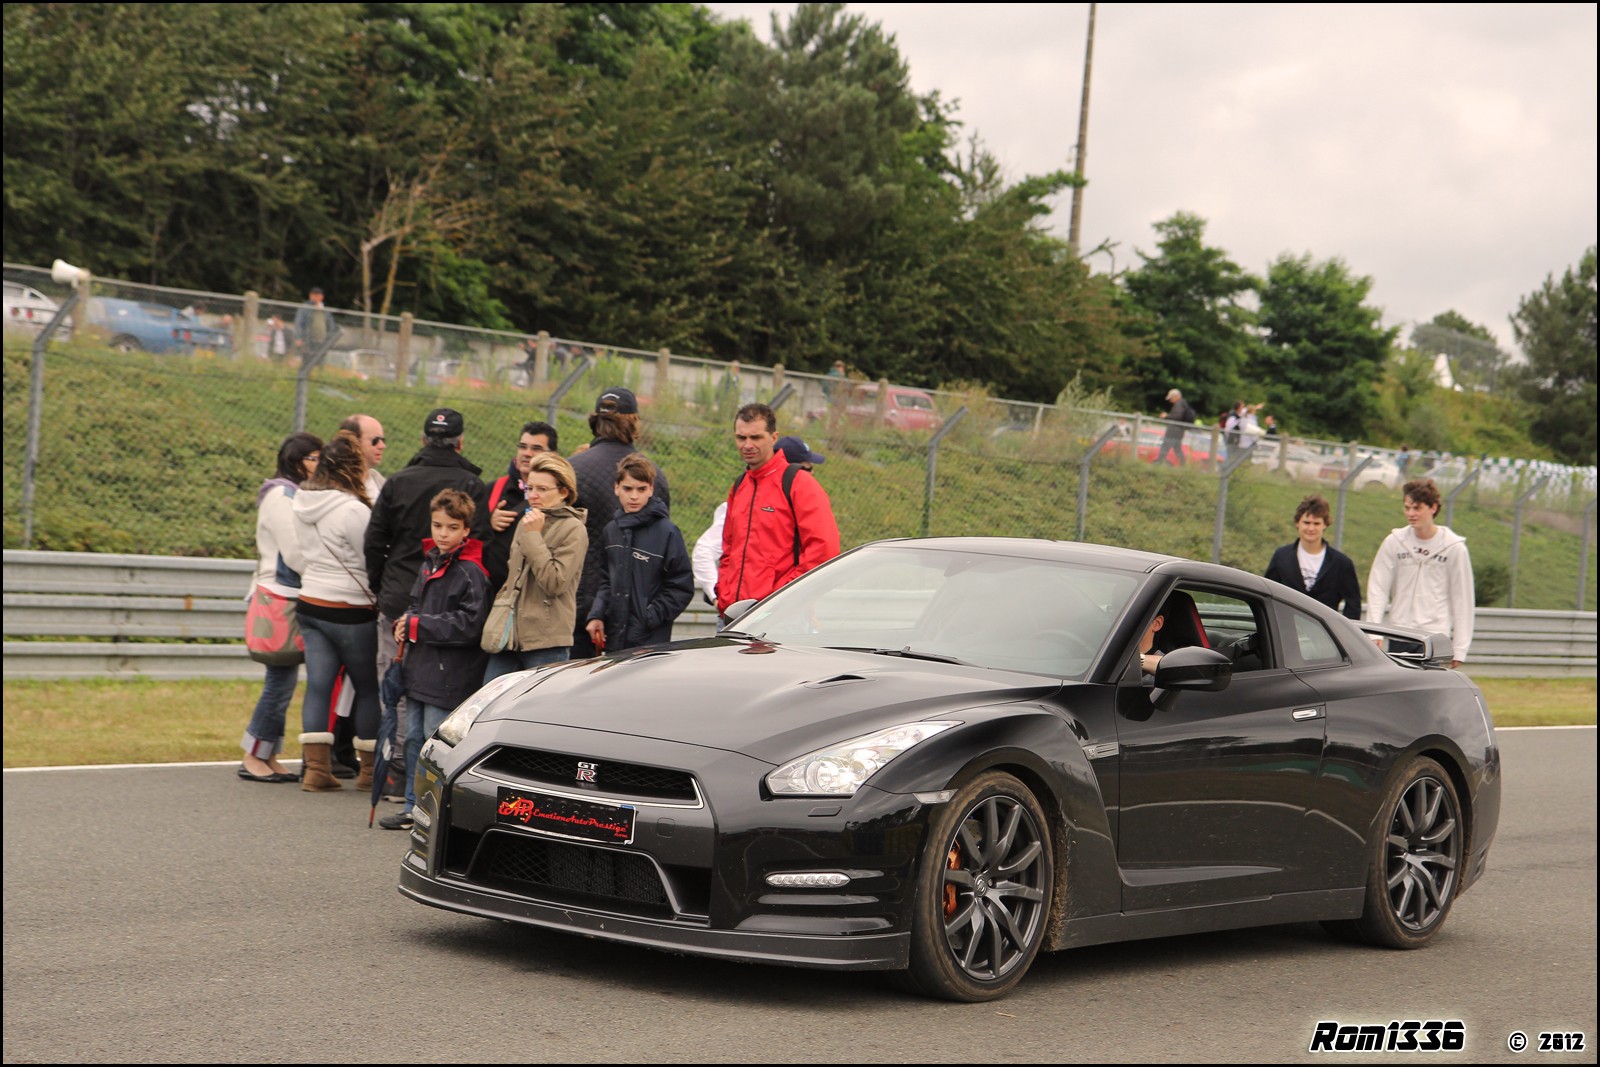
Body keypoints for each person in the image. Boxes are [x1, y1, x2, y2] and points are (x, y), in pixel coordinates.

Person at [365, 408, 489, 767]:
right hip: (440, 601)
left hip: (401, 598)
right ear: (460, 442)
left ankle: (400, 766)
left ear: (422, 439)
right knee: (433, 688)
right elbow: (481, 548)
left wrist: (382, 588)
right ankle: (421, 771)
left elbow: (374, 542)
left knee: (396, 683)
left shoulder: (398, 481)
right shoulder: (473, 485)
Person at [379, 489, 489, 831]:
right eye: (437, 525)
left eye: (452, 527)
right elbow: (415, 604)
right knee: (412, 737)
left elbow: (470, 625)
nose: (443, 533)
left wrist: (419, 624)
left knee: (435, 741)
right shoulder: (429, 562)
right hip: (418, 667)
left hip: (449, 674)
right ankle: (413, 807)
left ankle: (436, 811)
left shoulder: (472, 572)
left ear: (466, 529)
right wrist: (405, 622)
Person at [291, 430, 380, 792]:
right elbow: (369, 560)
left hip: (310, 600)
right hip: (350, 608)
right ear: (352, 469)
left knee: (319, 686)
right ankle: (370, 773)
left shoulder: (301, 500)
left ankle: (315, 771)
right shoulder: (353, 509)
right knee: (367, 688)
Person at [239, 431, 321, 783]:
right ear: (297, 461)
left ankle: (267, 753)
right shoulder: (280, 496)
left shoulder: (294, 495)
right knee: (279, 680)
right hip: (280, 598)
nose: (320, 465)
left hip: (286, 596)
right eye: (315, 458)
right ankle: (254, 755)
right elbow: (295, 553)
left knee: (284, 681)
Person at [568, 387, 670, 658]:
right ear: (634, 422)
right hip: (635, 610)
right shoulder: (653, 476)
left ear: (596, 421)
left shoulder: (571, 470)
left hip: (575, 601)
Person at [716, 404, 841, 617]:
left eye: (756, 437)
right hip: (733, 615)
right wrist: (724, 595)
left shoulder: (799, 483)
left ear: (773, 438)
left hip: (781, 617)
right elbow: (729, 548)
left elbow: (824, 550)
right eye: (741, 438)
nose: (747, 445)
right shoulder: (739, 486)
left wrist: (781, 598)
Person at [483, 453, 587, 681]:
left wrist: (533, 537)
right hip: (509, 634)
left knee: (540, 708)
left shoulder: (574, 529)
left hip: (547, 638)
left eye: (542, 489)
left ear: (563, 492)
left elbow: (555, 582)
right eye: (530, 488)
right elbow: (512, 576)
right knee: (488, 703)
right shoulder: (526, 521)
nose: (534, 496)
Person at [585, 454, 693, 653]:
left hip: (650, 641)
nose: (634, 496)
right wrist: (597, 614)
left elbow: (681, 587)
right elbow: (606, 580)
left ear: (651, 489)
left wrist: (648, 617)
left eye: (641, 489)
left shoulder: (667, 532)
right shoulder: (611, 530)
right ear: (616, 488)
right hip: (614, 638)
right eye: (628, 488)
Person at [1366, 478, 1475, 668]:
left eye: (1417, 508)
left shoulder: (1454, 547)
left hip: (1434, 636)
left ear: (1433, 508)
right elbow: (1378, 586)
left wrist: (1460, 647)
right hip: (1400, 632)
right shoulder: (1394, 541)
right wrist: (1374, 631)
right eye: (1407, 507)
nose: (1411, 513)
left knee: (1429, 693)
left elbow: (1463, 599)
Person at [483, 421, 558, 601]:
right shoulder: (494, 489)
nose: (527, 453)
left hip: (533, 596)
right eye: (523, 446)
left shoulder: (558, 497)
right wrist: (488, 521)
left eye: (536, 448)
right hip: (490, 593)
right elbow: (469, 533)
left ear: (551, 455)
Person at [1264, 494, 1362, 618]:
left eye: (1316, 523)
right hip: (1286, 630)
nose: (1311, 528)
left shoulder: (1341, 563)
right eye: (1306, 522)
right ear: (1297, 523)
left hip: (1325, 633)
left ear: (1325, 525)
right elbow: (1267, 594)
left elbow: (1353, 603)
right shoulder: (1281, 557)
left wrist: (1345, 634)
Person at [340, 413, 387, 497]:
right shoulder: (334, 482)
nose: (382, 446)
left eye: (383, 440)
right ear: (353, 441)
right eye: (375, 440)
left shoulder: (378, 481)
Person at [1155, 388, 1196, 466]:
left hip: (1173, 431)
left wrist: (1166, 416)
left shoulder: (1179, 404)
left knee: (1165, 447)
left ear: (1176, 396)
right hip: (1179, 431)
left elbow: (1176, 416)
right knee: (1177, 449)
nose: (1170, 400)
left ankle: (1158, 464)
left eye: (1171, 398)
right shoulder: (1184, 403)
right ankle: (1183, 465)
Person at [293, 286, 335, 355]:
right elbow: (299, 323)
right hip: (309, 339)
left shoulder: (325, 309)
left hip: (323, 340)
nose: (315, 298)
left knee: (320, 359)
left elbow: (330, 324)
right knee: (308, 359)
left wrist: (330, 337)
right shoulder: (305, 307)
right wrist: (299, 337)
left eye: (318, 295)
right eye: (314, 295)